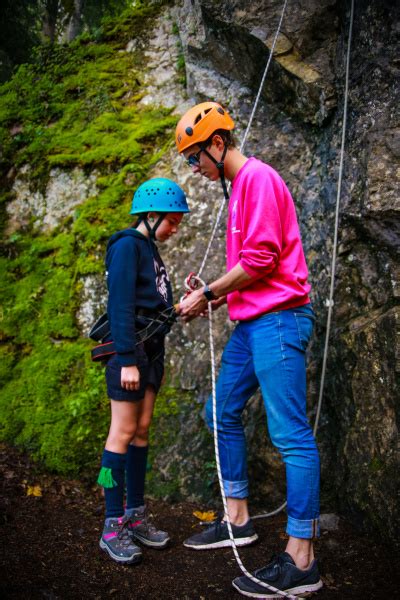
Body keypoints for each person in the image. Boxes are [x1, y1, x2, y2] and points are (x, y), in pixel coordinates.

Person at [175, 102, 322, 598]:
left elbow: (262, 259)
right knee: (219, 411)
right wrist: (212, 295)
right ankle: (238, 519)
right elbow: (253, 267)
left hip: (279, 320)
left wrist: (209, 293)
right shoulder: (240, 188)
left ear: (217, 144)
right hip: (254, 322)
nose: (194, 169)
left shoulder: (257, 178)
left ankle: (302, 560)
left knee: (291, 435)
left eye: (195, 157)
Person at [97, 177, 190, 564]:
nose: (175, 227)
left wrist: (180, 306)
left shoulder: (149, 248)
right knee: (120, 432)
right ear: (151, 215)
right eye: (172, 220)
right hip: (129, 355)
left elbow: (151, 303)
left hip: (151, 353)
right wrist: (128, 358)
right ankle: (111, 523)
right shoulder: (126, 247)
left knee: (141, 430)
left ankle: (134, 514)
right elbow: (119, 306)